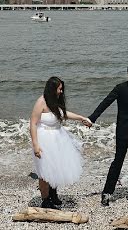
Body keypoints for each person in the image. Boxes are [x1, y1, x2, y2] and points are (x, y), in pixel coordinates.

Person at [89, 65, 128, 206]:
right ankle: (106, 194)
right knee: (117, 162)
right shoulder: (120, 88)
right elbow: (105, 103)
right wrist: (92, 118)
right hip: (122, 132)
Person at [30, 76, 92, 209]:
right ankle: (45, 200)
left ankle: (53, 195)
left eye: (61, 89)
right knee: (45, 172)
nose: (61, 92)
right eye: (59, 89)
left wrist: (81, 118)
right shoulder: (41, 102)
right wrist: (36, 145)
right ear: (52, 89)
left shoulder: (55, 100)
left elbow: (63, 113)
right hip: (44, 139)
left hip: (58, 138)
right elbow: (33, 124)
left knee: (56, 168)